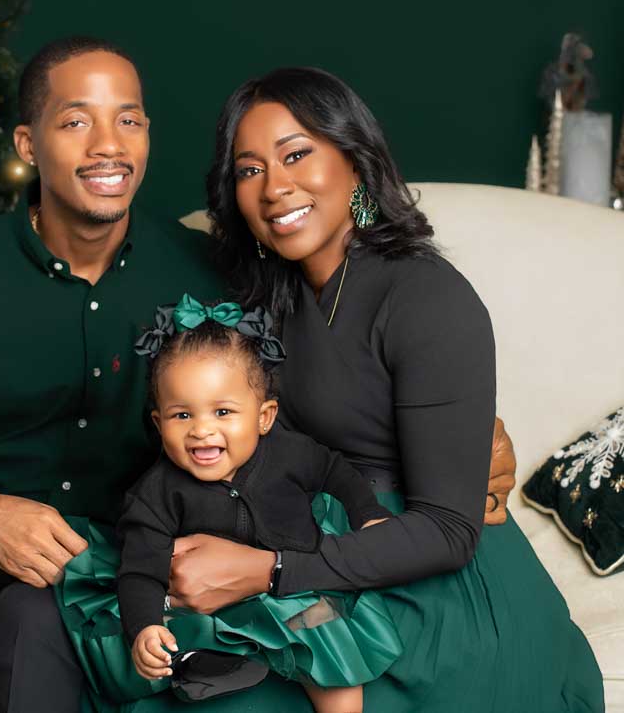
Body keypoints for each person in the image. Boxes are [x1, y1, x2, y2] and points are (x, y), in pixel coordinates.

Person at [0, 37, 519, 712]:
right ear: (27, 143)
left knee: (34, 620)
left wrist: (467, 432)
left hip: (124, 564)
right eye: (76, 123)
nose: (108, 146)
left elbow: (312, 386)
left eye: (129, 121)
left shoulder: (215, 273)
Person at [142, 66, 599, 712]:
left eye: (296, 154)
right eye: (249, 171)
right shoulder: (268, 300)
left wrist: (267, 570)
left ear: (354, 161)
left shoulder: (426, 297)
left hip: (439, 598)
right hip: (322, 570)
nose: (275, 187)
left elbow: (448, 529)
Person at [57, 293, 406, 713]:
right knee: (174, 648)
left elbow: (336, 472)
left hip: (294, 590)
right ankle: (215, 669)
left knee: (329, 648)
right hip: (214, 608)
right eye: (182, 416)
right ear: (158, 422)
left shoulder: (291, 453)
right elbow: (140, 573)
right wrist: (144, 628)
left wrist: (367, 514)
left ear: (264, 416)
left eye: (223, 412)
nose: (202, 431)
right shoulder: (155, 494)